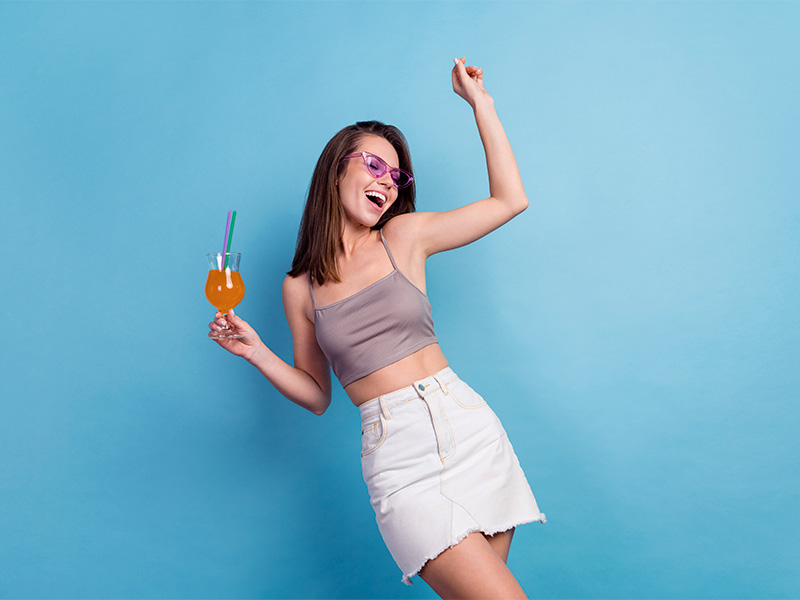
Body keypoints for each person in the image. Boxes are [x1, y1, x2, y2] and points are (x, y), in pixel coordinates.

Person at [209, 57, 546, 599]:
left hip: (468, 430)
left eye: (396, 176)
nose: (386, 183)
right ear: (337, 168)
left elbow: (511, 200)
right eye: (373, 165)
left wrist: (480, 103)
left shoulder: (405, 238)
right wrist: (257, 353)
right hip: (397, 455)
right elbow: (318, 394)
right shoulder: (301, 288)